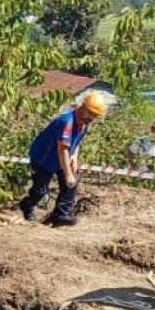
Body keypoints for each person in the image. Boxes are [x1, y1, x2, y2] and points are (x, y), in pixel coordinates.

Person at [17, 89, 109, 227]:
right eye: (90, 112)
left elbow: (76, 141)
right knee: (40, 190)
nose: (91, 117)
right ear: (82, 106)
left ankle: (61, 215)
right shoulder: (67, 121)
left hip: (62, 158)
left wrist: (74, 157)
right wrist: (68, 174)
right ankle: (27, 205)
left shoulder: (84, 123)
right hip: (43, 158)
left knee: (72, 183)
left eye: (95, 115)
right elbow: (62, 149)